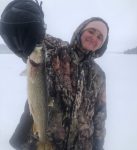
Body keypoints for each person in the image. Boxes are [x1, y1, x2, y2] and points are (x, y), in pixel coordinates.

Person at [0, 1, 109, 150]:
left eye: (100, 37)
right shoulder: (56, 50)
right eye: (91, 31)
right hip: (43, 142)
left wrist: (98, 146)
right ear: (80, 31)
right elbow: (31, 37)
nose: (94, 38)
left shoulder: (99, 75)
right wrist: (29, 15)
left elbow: (99, 116)